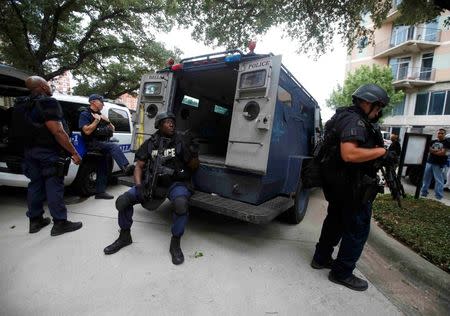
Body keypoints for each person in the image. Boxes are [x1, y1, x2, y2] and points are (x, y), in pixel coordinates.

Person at [311, 84, 394, 291]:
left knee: (335, 221)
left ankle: (321, 258)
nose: (378, 112)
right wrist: (381, 152)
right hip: (351, 186)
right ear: (366, 102)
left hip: (339, 183)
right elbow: (350, 154)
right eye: (377, 107)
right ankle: (342, 272)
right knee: (357, 228)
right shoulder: (354, 120)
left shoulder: (343, 116)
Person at [103, 112, 199, 265]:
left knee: (181, 205)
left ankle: (175, 242)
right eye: (167, 122)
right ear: (159, 125)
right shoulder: (150, 143)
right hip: (152, 183)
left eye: (173, 121)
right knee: (122, 201)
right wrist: (139, 185)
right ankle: (124, 236)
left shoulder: (181, 141)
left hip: (176, 183)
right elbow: (139, 167)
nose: (172, 124)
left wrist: (194, 153)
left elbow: (193, 167)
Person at [22, 76, 83, 236]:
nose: (49, 87)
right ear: (42, 86)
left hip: (29, 152)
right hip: (48, 153)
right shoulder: (48, 102)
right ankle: (60, 223)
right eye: (47, 84)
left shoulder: (22, 103)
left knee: (35, 185)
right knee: (54, 185)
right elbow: (57, 131)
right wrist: (74, 153)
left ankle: (35, 221)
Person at [78, 94, 133, 199]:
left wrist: (107, 121)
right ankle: (126, 168)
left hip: (102, 143)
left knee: (103, 168)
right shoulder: (85, 114)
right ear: (93, 102)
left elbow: (112, 128)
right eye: (101, 101)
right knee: (114, 146)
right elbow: (86, 131)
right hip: (92, 143)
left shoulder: (100, 114)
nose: (103, 104)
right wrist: (96, 121)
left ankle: (100, 192)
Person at [420, 128, 450, 200]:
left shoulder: (447, 142)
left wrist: (433, 151)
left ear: (444, 134)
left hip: (439, 164)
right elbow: (428, 149)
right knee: (426, 179)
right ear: (437, 133)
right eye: (439, 133)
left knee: (439, 180)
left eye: (442, 133)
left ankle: (438, 196)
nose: (440, 134)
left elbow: (443, 153)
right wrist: (437, 151)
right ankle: (424, 193)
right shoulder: (433, 141)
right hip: (429, 162)